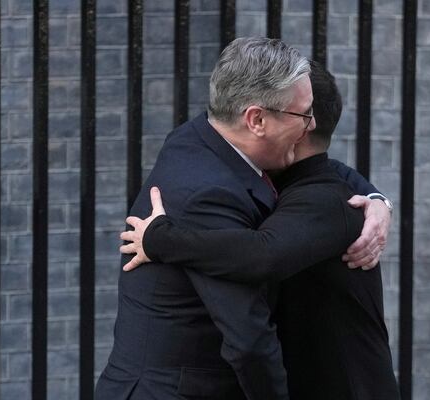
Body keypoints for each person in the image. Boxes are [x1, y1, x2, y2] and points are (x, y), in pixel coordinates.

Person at [96, 37, 390, 400]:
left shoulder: (201, 138)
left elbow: (319, 172)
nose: (311, 126)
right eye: (304, 115)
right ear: (257, 119)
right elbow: (249, 339)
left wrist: (378, 199)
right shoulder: (209, 193)